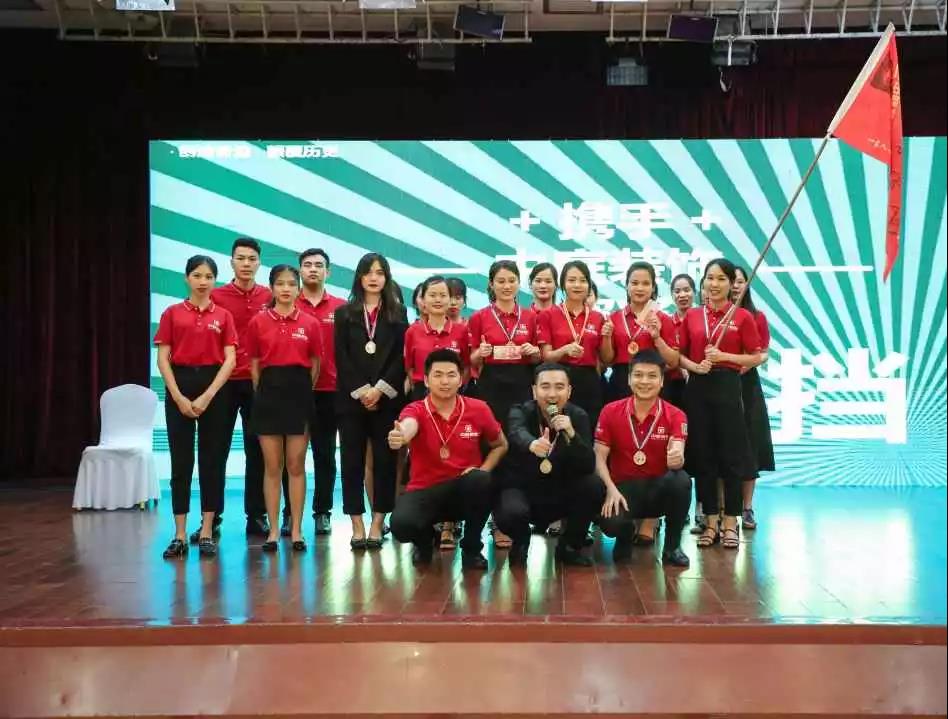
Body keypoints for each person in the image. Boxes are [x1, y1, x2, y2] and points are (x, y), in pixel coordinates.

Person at [388, 349, 508, 570]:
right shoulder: (416, 409)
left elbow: (501, 445)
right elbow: (408, 425)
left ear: (460, 379)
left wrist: (482, 469)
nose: (445, 381)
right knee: (401, 526)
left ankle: (472, 549)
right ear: (426, 380)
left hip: (463, 488)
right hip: (425, 490)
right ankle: (425, 541)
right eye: (438, 375)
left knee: (482, 480)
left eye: (451, 375)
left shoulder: (478, 408)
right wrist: (401, 435)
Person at [154, 255, 237, 559]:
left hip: (214, 389)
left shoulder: (224, 316)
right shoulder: (172, 313)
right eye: (197, 275)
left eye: (209, 276)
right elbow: (163, 358)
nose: (203, 281)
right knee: (181, 461)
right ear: (187, 278)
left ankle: (206, 531)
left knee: (211, 460)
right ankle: (178, 534)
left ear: (215, 280)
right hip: (180, 385)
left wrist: (208, 395)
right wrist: (177, 396)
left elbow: (230, 359)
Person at [678, 258, 762, 550]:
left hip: (728, 386)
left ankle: (730, 522)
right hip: (698, 387)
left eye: (721, 279)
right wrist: (695, 366)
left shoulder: (742, 317)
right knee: (704, 455)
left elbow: (756, 356)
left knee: (731, 455)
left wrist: (726, 357)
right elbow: (679, 355)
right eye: (709, 278)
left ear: (731, 284)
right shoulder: (693, 316)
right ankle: (710, 521)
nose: (714, 284)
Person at [493, 363, 604, 567]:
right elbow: (516, 432)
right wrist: (532, 444)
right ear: (534, 390)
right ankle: (521, 541)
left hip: (560, 492)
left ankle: (569, 546)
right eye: (545, 387)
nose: (552, 394)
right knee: (509, 511)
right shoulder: (520, 411)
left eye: (559, 387)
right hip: (524, 489)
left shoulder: (578, 416)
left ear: (569, 391)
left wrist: (572, 435)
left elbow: (588, 464)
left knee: (593, 486)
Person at [245, 265, 322, 553]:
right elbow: (254, 365)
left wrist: (301, 389)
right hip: (268, 395)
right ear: (272, 287)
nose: (286, 289)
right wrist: (265, 391)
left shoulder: (310, 323)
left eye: (291, 283)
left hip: (299, 395)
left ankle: (297, 529)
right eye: (280, 283)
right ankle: (274, 531)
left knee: (296, 465)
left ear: (298, 288)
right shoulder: (258, 322)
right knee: (272, 466)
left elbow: (315, 364)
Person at [335, 252, 409, 551]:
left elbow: (401, 356)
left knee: (385, 462)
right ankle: (357, 524)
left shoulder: (398, 312)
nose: (374, 278)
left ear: (386, 277)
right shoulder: (344, 313)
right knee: (351, 461)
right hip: (351, 400)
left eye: (380, 272)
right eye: (368, 272)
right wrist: (363, 390)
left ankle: (378, 523)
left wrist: (379, 390)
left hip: (386, 400)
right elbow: (341, 357)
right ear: (360, 277)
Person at [594, 349, 691, 568]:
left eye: (652, 376)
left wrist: (676, 458)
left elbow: (678, 450)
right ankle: (625, 534)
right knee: (610, 522)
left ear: (662, 381)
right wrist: (610, 489)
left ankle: (672, 547)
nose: (644, 381)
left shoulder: (676, 415)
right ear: (629, 379)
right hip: (622, 490)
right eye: (638, 375)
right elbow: (599, 456)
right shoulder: (610, 411)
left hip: (658, 489)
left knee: (681, 480)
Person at [209, 238, 271, 541]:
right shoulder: (216, 296)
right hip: (223, 381)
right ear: (231, 262)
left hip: (258, 382)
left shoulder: (269, 296)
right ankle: (211, 518)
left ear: (259, 263)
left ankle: (256, 516)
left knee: (257, 451)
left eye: (252, 259)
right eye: (241, 258)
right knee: (215, 449)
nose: (246, 264)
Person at [291, 248, 347, 536]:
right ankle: (290, 514)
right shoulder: (287, 304)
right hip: (294, 392)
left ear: (328, 271)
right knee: (293, 456)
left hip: (330, 390)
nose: (313, 269)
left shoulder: (341, 307)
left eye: (318, 265)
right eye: (307, 265)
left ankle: (322, 511)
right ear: (300, 270)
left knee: (325, 455)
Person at [537, 260, 614, 430]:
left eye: (582, 280)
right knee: (558, 430)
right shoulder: (548, 315)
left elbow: (607, 359)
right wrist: (565, 350)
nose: (577, 285)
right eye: (571, 280)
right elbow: (546, 356)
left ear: (588, 285)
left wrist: (607, 337)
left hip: (589, 382)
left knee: (588, 429)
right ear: (562, 284)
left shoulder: (598, 317)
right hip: (558, 381)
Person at [467, 260, 541, 430]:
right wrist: (480, 353)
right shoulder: (479, 317)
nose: (507, 286)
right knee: (493, 431)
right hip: (491, 382)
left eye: (512, 280)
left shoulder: (531, 317)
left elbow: (537, 358)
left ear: (519, 283)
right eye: (501, 281)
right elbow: (472, 360)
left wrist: (534, 351)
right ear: (491, 284)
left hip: (522, 381)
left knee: (522, 431)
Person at [732, 266, 775, 531]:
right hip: (719, 384)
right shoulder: (712, 317)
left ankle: (746, 507)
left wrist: (745, 364)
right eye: (732, 281)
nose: (736, 285)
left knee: (750, 447)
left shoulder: (757, 317)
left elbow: (763, 352)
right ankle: (720, 510)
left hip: (746, 385)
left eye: (741, 281)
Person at [607, 262, 679, 402]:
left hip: (652, 381)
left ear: (653, 287)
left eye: (646, 283)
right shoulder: (614, 318)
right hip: (621, 381)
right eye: (634, 283)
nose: (640, 288)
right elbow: (607, 360)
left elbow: (674, 361)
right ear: (626, 286)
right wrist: (606, 337)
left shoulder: (663, 319)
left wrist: (657, 338)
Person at [404, 275, 470, 402]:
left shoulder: (462, 331)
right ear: (423, 300)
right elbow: (410, 368)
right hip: (421, 395)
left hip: (453, 394)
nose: (438, 300)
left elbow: (466, 366)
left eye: (443, 295)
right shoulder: (412, 331)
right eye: (432, 295)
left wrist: (456, 387)